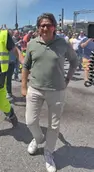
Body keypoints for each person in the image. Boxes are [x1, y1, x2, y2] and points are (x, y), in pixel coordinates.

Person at [21, 13, 78, 172]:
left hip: (57, 90)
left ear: (54, 27)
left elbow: (74, 61)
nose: (45, 28)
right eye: (42, 25)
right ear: (38, 27)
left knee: (54, 125)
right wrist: (24, 86)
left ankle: (48, 152)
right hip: (35, 88)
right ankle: (38, 139)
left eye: (48, 25)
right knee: (30, 121)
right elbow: (25, 66)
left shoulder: (63, 43)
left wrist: (67, 79)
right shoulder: (32, 43)